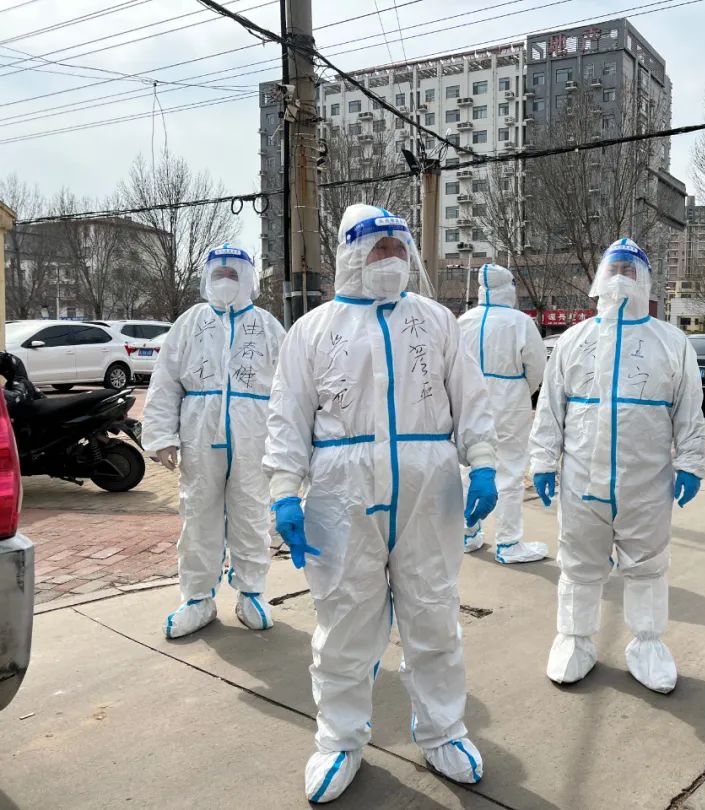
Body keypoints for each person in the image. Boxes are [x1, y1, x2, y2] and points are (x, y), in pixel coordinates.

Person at [263, 204, 499, 803]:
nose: (390, 259)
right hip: (342, 494)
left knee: (433, 612)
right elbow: (288, 417)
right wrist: (284, 492)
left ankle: (442, 730)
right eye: (378, 249)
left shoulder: (436, 321)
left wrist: (483, 463)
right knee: (344, 620)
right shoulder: (313, 330)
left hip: (429, 489)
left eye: (397, 248)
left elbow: (471, 398)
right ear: (350, 254)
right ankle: (339, 739)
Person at [530, 237, 705, 694]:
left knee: (647, 565)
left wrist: (691, 462)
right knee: (579, 562)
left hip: (646, 481)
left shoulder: (671, 342)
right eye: (615, 269)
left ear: (646, 281)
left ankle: (647, 644)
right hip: (581, 481)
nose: (621, 277)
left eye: (631, 270)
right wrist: (543, 459)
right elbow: (551, 406)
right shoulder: (575, 340)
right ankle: (574, 639)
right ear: (599, 279)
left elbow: (689, 409)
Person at [142, 244, 285, 639]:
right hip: (199, 431)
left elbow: (289, 389)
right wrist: (162, 437)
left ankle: (251, 593)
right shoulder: (190, 322)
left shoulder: (268, 327)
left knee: (251, 512)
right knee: (198, 515)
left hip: (254, 432)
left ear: (248, 279)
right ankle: (197, 598)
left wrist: (288, 442)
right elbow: (166, 381)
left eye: (233, 274)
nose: (225, 281)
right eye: (218, 274)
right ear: (206, 278)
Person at [458, 263, 548, 564]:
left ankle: (467, 532)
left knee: (469, 467)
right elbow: (536, 366)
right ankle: (508, 542)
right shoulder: (520, 322)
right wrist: (523, 390)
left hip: (470, 401)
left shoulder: (464, 321)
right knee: (509, 469)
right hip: (509, 401)